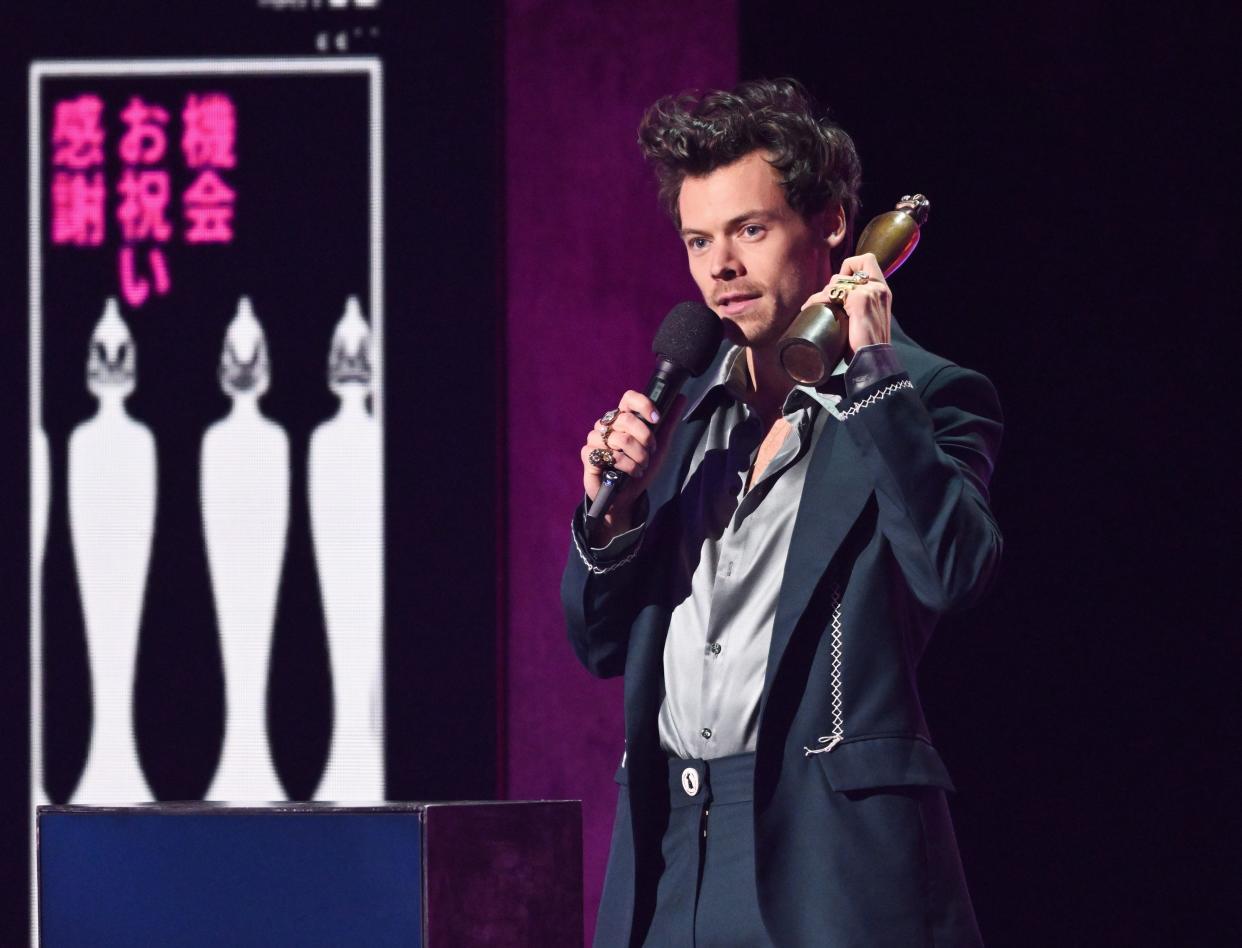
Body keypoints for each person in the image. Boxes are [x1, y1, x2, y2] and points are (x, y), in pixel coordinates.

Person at [563, 78, 1001, 948]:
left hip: (826, 859)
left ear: (833, 224)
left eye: (749, 230)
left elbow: (950, 570)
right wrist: (612, 520)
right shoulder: (696, 427)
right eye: (698, 240)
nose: (720, 266)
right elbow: (599, 644)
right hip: (669, 854)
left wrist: (875, 376)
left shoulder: (928, 396)